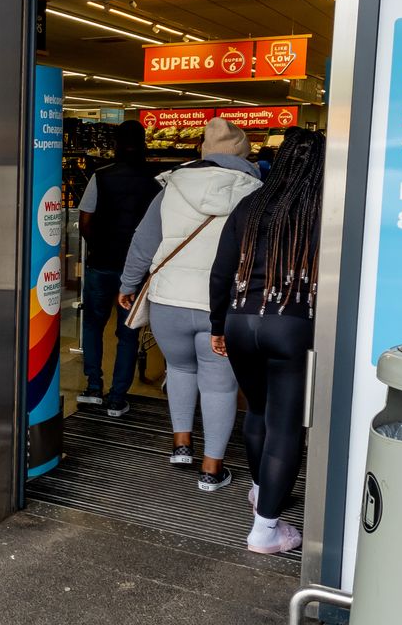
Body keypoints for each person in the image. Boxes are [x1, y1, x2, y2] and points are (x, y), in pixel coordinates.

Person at [118, 117, 262, 492]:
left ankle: (181, 445)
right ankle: (212, 469)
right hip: (221, 306)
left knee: (180, 370)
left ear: (202, 151)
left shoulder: (173, 185)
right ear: (245, 155)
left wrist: (128, 283)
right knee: (219, 386)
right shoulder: (256, 192)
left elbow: (144, 241)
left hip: (169, 300)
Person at [209, 128, 325, 554]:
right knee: (285, 425)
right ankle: (265, 529)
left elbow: (221, 272)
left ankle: (261, 492)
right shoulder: (321, 209)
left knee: (256, 410)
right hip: (291, 324)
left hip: (241, 321)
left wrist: (217, 325)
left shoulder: (250, 205)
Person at [75, 120, 161, 416]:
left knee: (93, 324)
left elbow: (85, 221)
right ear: (144, 143)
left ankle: (93, 387)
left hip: (102, 263)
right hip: (136, 269)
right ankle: (117, 398)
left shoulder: (100, 177)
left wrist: (98, 246)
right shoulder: (156, 182)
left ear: (114, 144)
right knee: (128, 333)